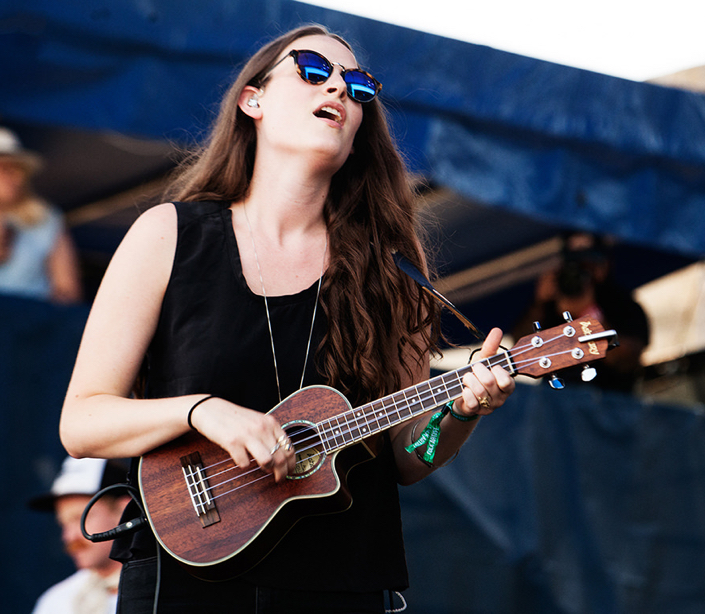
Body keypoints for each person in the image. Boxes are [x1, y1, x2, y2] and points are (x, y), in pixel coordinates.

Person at [59, 24, 516, 613]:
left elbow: (407, 457)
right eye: (313, 71)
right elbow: (82, 423)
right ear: (254, 100)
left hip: (338, 584)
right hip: (186, 581)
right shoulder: (168, 235)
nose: (341, 92)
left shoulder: (394, 276)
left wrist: (460, 410)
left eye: (358, 86)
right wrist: (203, 411)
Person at [0, 125, 82, 303]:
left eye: (19, 170)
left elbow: (68, 291)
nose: (16, 178)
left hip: (33, 324)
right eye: (5, 169)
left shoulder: (45, 219)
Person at [512, 232, 650, 392]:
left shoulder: (622, 304)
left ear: (604, 266)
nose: (578, 272)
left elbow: (627, 361)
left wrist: (589, 315)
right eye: (573, 263)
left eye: (587, 265)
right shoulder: (552, 302)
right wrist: (540, 303)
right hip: (557, 403)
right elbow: (521, 350)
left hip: (610, 402)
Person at [29, 457, 131, 614]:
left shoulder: (172, 590)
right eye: (63, 523)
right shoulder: (57, 603)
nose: (69, 537)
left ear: (125, 511)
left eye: (80, 519)